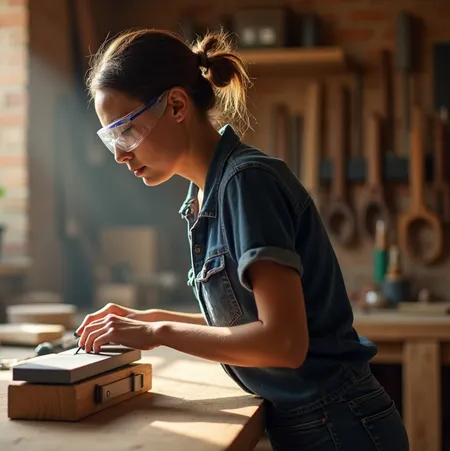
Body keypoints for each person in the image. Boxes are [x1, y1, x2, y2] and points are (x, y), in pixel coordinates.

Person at [74, 28, 410, 451]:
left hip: (339, 424)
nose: (120, 154)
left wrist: (159, 331)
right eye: (111, 140)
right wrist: (146, 319)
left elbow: (284, 344)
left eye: (125, 131)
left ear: (176, 105)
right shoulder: (204, 196)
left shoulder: (246, 182)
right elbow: (247, 326)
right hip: (310, 421)